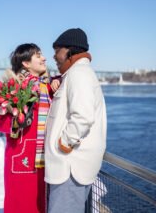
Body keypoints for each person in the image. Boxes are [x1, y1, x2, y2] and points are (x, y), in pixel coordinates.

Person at [45, 28, 107, 213]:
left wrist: (65, 143)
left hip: (70, 168)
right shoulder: (76, 73)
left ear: (70, 51)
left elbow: (83, 115)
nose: (54, 56)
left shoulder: (79, 74)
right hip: (69, 168)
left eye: (57, 50)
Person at [0, 43, 54, 213]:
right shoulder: (12, 86)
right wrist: (15, 122)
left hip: (47, 157)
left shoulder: (49, 86)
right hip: (21, 155)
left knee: (43, 204)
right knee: (21, 204)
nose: (44, 58)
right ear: (26, 63)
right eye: (38, 55)